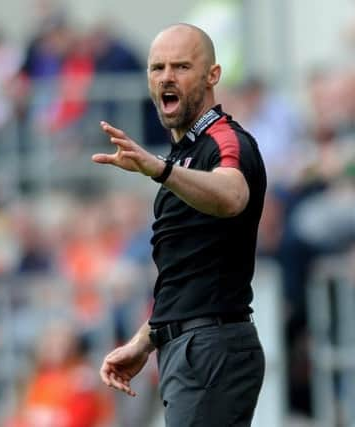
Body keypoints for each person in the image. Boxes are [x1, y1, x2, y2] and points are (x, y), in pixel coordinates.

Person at [93, 23, 267, 426]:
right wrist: (144, 340)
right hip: (189, 347)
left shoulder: (226, 141)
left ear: (212, 76)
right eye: (157, 68)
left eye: (181, 66)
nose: (166, 77)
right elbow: (189, 276)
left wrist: (158, 168)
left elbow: (232, 195)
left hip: (210, 348)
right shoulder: (185, 156)